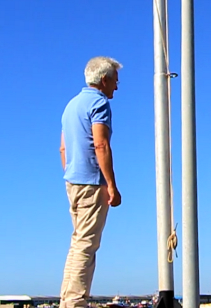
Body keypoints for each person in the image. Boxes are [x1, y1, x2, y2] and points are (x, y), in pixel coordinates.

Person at [59, 56, 123, 308]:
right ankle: (74, 302)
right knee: (87, 244)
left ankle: (69, 298)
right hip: (92, 182)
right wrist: (111, 184)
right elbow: (101, 144)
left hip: (73, 181)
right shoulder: (98, 103)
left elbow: (63, 148)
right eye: (115, 81)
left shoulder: (71, 105)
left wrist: (72, 173)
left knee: (79, 242)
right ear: (104, 80)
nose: (116, 87)